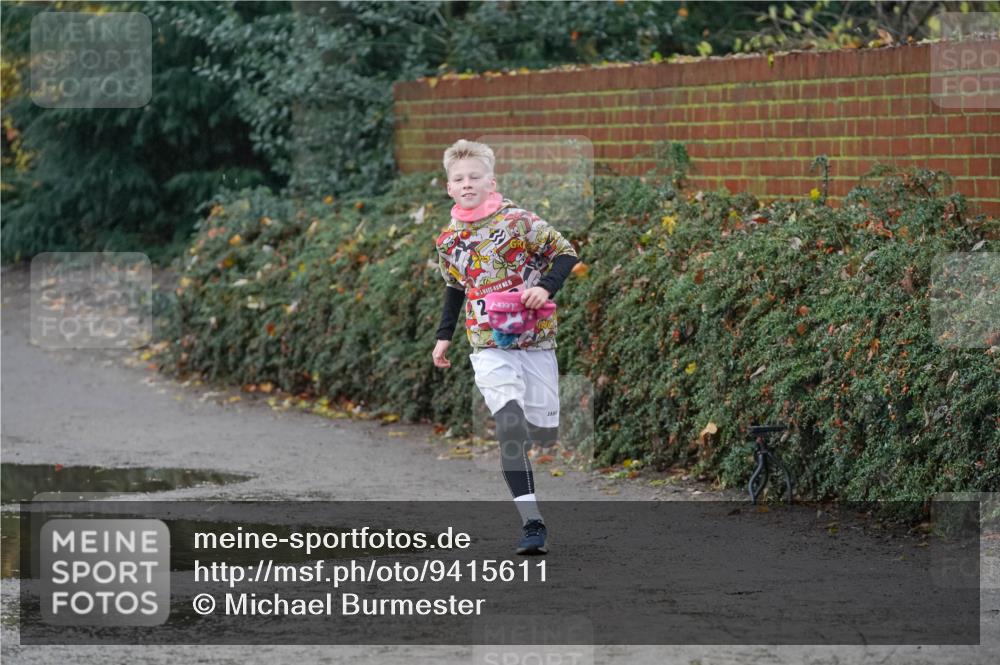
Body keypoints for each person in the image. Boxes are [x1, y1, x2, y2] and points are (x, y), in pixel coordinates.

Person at [431, 139, 579, 555]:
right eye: (458, 179)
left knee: (541, 429)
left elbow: (565, 254)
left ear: (490, 180)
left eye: (474, 177)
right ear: (448, 187)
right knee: (509, 427)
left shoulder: (518, 221)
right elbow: (454, 287)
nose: (466, 184)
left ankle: (533, 452)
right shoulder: (447, 239)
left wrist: (544, 288)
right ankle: (532, 522)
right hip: (486, 343)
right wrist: (444, 337)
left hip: (535, 339)